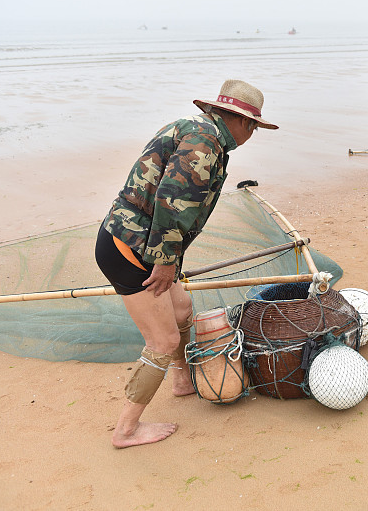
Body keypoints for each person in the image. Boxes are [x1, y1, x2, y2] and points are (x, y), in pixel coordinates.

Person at [95, 80, 278, 448]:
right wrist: (165, 263)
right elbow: (171, 201)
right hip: (132, 246)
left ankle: (180, 380)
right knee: (162, 340)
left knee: (182, 309)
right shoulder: (205, 141)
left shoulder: (197, 129)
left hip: (138, 240)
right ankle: (126, 430)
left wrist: (168, 260)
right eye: (254, 127)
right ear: (241, 121)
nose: (252, 134)